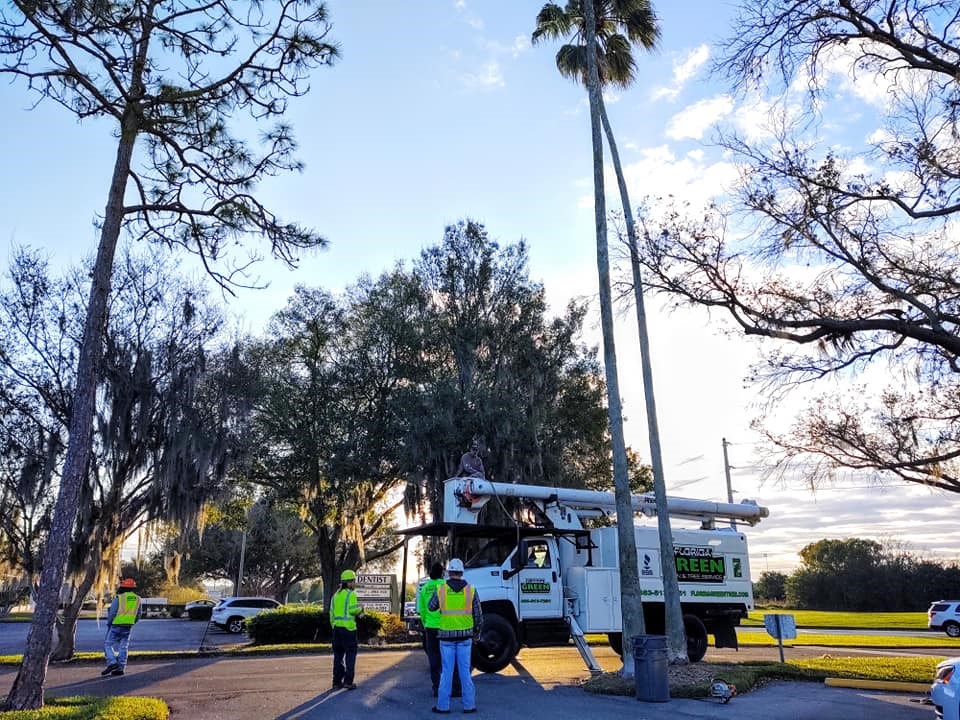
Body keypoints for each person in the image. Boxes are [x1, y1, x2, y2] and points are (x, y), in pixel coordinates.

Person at [428, 558, 482, 714]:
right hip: (465, 637)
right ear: (462, 572)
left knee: (446, 672)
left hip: (446, 638)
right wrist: (477, 634)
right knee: (465, 672)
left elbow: (431, 607)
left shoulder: (441, 589)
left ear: (449, 572)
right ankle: (469, 705)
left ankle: (443, 706)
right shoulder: (471, 590)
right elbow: (479, 616)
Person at [330, 568, 364, 690]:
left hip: (336, 629)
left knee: (338, 656)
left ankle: (336, 682)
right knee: (350, 655)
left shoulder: (335, 595)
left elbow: (331, 613)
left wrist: (334, 626)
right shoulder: (351, 594)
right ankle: (348, 682)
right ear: (349, 582)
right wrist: (361, 608)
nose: (354, 583)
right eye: (353, 581)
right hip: (349, 629)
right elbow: (352, 610)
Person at [102, 577, 141, 677]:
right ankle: (120, 668)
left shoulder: (119, 598)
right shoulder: (137, 599)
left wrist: (109, 623)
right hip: (128, 626)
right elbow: (138, 614)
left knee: (108, 644)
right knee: (123, 647)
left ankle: (112, 662)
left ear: (123, 587)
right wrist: (132, 622)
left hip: (116, 625)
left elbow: (112, 613)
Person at [417, 562, 445, 697]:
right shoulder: (445, 586)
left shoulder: (425, 588)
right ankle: (446, 686)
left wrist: (425, 623)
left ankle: (436, 687)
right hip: (444, 626)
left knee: (433, 657)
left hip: (430, 627)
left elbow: (422, 610)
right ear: (442, 573)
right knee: (445, 657)